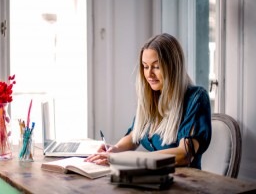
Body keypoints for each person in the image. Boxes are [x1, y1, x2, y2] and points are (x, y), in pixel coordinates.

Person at [85, 33, 212, 169]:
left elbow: (184, 154)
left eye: (156, 67)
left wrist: (129, 159)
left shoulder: (196, 98)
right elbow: (135, 134)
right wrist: (115, 150)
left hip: (185, 182)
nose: (149, 74)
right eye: (145, 66)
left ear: (173, 67)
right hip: (152, 178)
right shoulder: (152, 96)